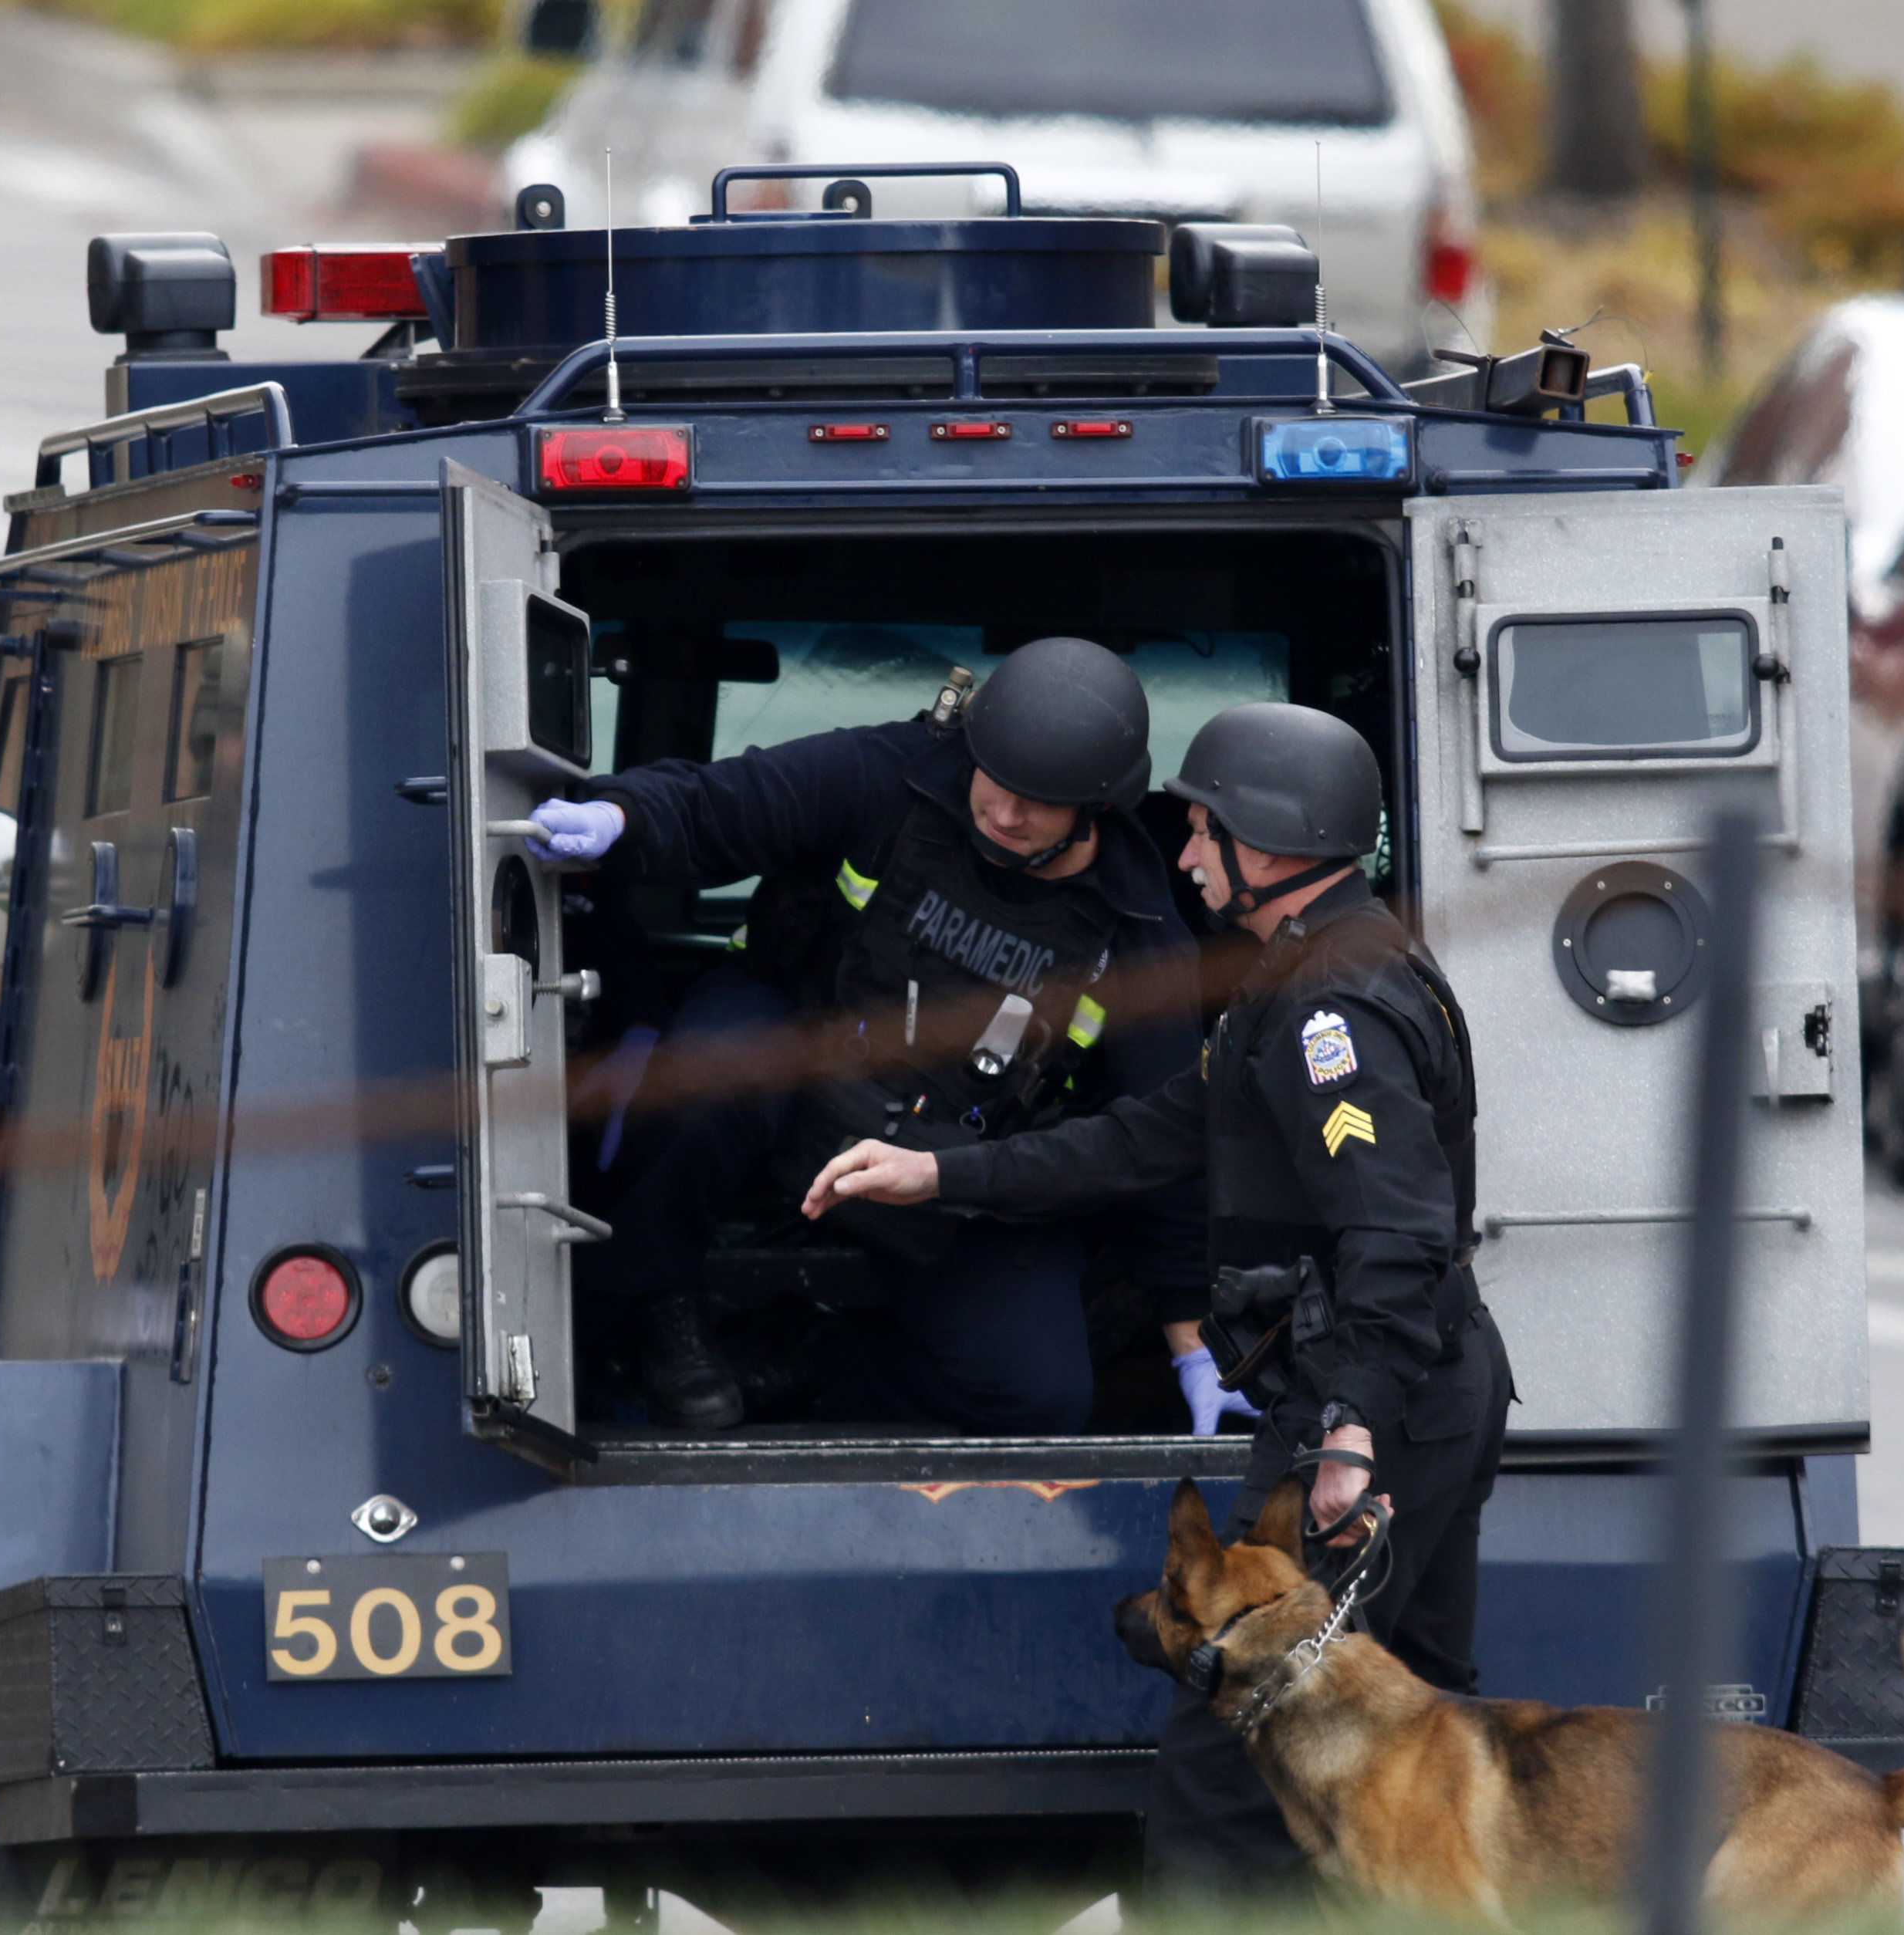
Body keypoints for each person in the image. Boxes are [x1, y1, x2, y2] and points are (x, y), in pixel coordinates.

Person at [801, 700, 1511, 1898]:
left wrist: (1347, 1429)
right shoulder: (1306, 971)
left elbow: (1395, 1231)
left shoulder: (1334, 1010)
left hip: (1372, 1395)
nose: (1180, 857)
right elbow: (1147, 1135)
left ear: (1273, 847)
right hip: (1419, 1385)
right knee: (1410, 1725)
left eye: (1200, 831)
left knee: (1232, 1748)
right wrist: (940, 1172)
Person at [523, 635, 1206, 1434]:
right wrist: (622, 815)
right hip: (798, 1058)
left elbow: (1164, 1140)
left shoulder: (1136, 928)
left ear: (1098, 807)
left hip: (954, 1158)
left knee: (1035, 1394)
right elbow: (725, 805)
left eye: (1039, 801)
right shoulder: (897, 773)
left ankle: (809, 1360)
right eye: (997, 779)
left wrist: (1191, 1341)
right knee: (708, 1069)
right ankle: (653, 1308)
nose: (1005, 811)